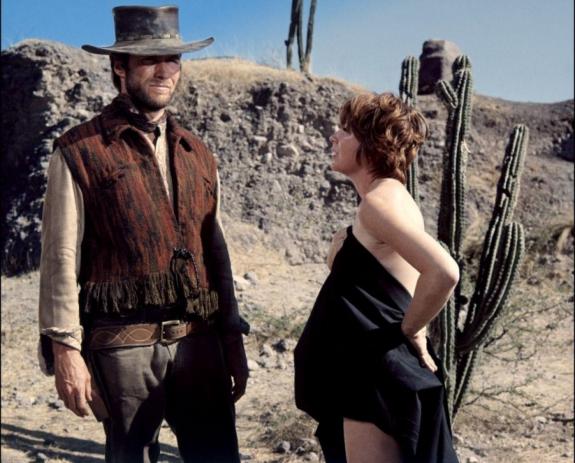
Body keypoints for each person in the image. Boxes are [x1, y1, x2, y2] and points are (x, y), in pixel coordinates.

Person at [38, 6, 248, 463]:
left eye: (172, 59)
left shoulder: (198, 152)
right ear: (120, 66)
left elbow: (217, 254)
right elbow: (59, 256)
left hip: (199, 341)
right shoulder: (79, 150)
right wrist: (65, 349)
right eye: (150, 59)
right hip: (123, 347)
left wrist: (231, 338)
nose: (164, 70)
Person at [294, 92, 460, 462]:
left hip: (374, 375)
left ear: (372, 144)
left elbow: (444, 271)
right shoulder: (389, 199)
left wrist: (410, 329)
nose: (334, 137)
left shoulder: (378, 203)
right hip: (369, 370)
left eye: (346, 130)